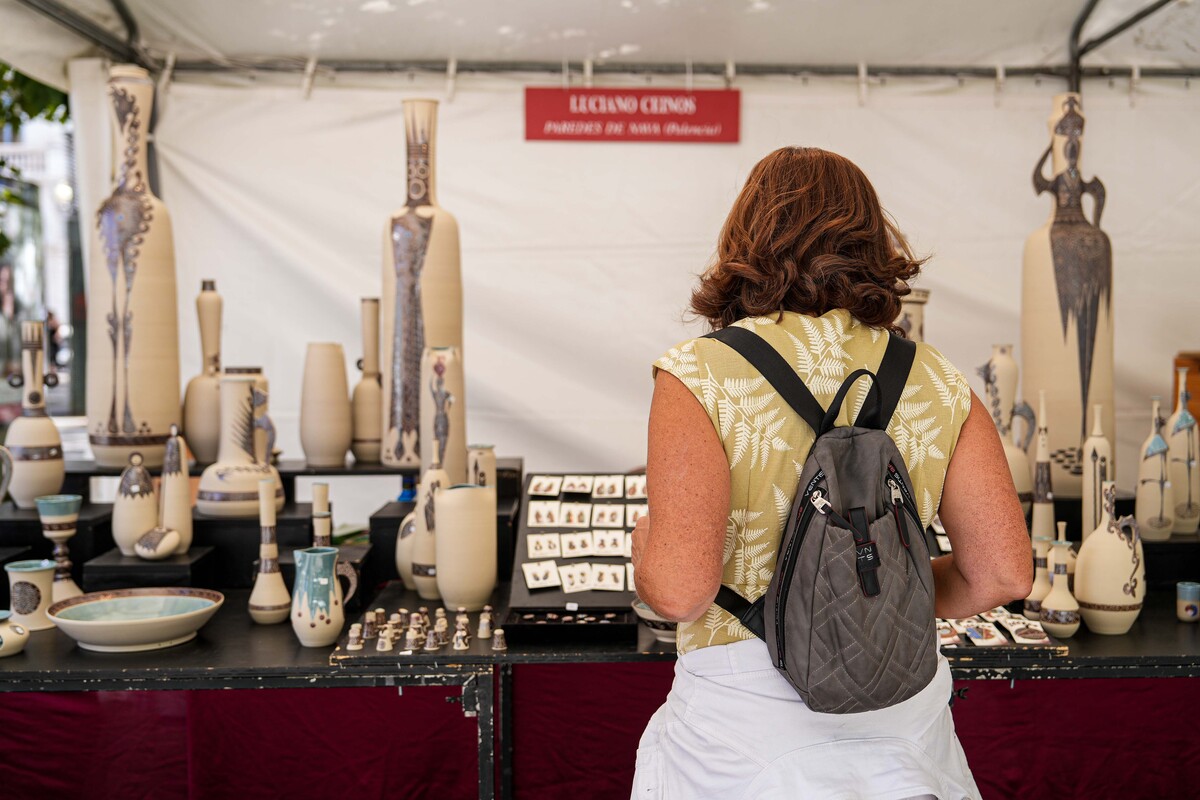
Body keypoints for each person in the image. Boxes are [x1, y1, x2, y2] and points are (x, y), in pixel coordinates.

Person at [630, 147, 1032, 799]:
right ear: (873, 242)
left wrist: (647, 551)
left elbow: (679, 593)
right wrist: (873, 591)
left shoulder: (699, 373)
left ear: (745, 239)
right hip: (902, 714)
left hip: (747, 731)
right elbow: (1003, 574)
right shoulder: (937, 378)